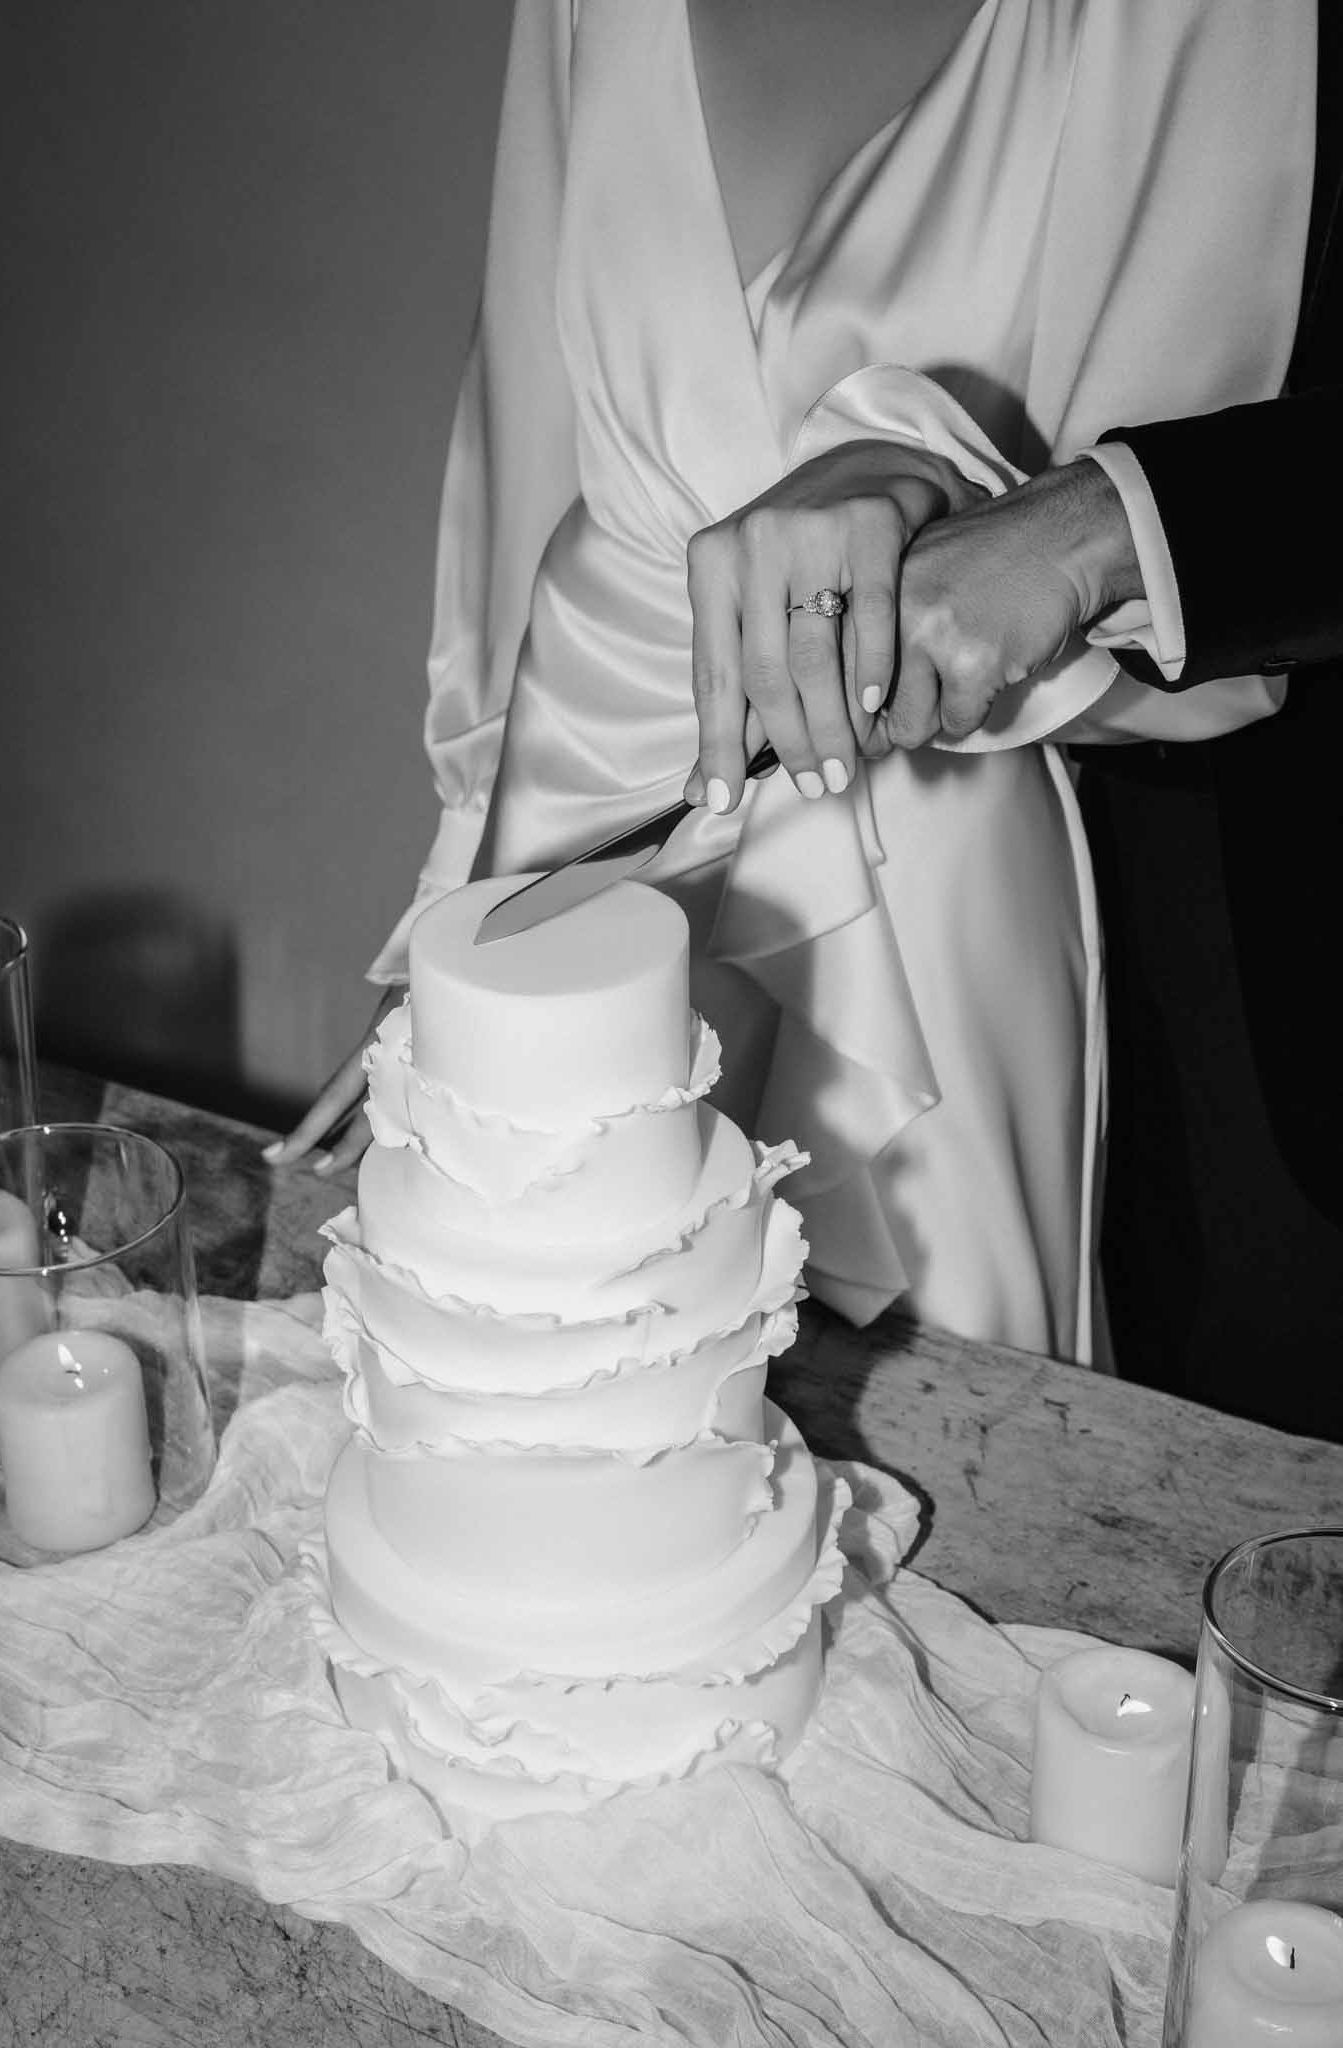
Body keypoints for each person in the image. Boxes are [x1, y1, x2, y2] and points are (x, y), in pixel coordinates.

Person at [270, 0, 1315, 1371]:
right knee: (562, 1413)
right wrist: (464, 936)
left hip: (1067, 904)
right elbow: (532, 462)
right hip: (604, 804)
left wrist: (1037, 524)